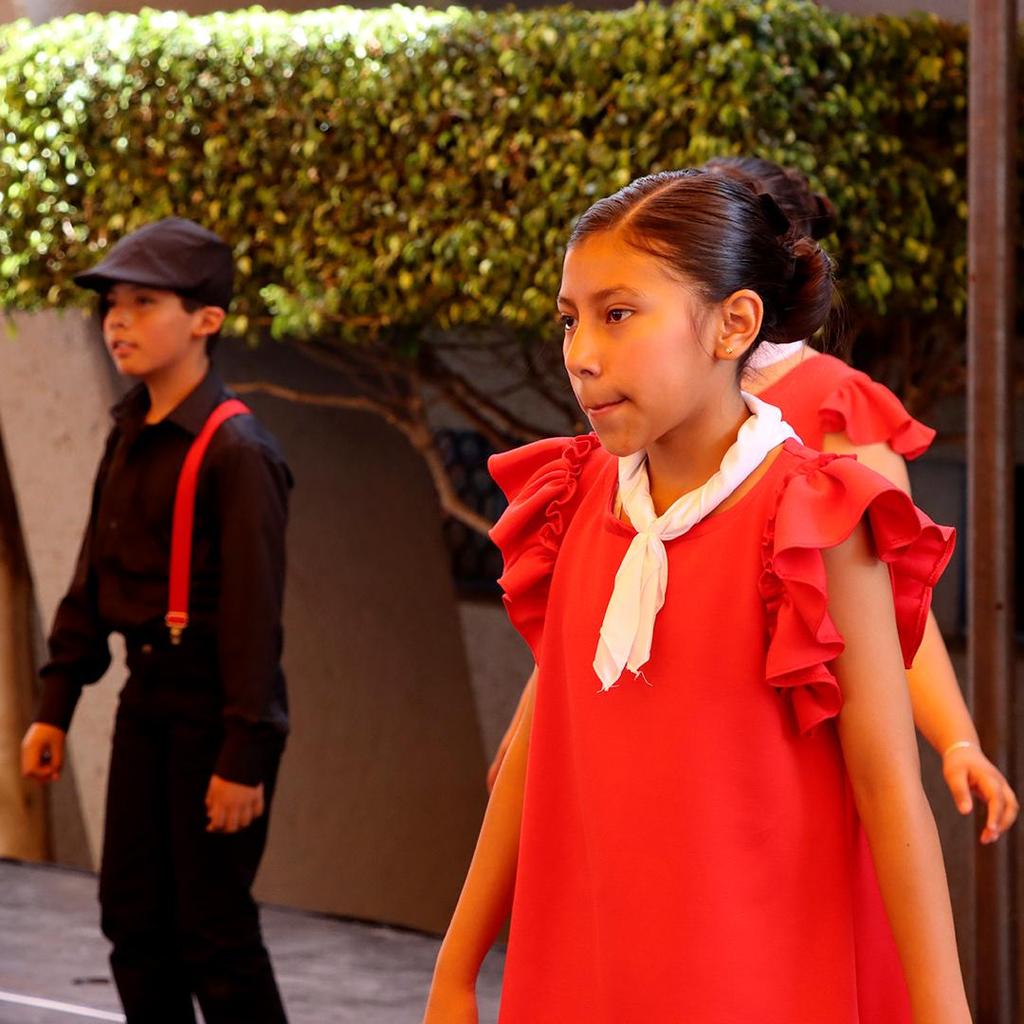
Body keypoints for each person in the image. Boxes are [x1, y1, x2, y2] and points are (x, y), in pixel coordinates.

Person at [425, 170, 970, 1023]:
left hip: (758, 978)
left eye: (617, 313)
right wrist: (454, 971)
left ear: (734, 324)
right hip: (585, 968)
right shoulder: (572, 498)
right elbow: (536, 750)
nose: (581, 354)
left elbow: (891, 793)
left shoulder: (817, 517)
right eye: (569, 319)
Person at [485, 155, 1019, 849]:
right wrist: (530, 730)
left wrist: (955, 738)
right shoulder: (643, 413)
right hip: (646, 757)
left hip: (774, 776)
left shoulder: (833, 404)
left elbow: (885, 608)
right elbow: (601, 603)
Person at [20, 218, 292, 1023]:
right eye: (112, 305)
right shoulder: (128, 431)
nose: (119, 321)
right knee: (134, 921)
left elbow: (253, 618)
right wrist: (55, 705)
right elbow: (90, 581)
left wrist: (243, 753)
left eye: (143, 303)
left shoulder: (237, 451)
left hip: (217, 711)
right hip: (146, 702)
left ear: (206, 319)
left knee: (213, 931)